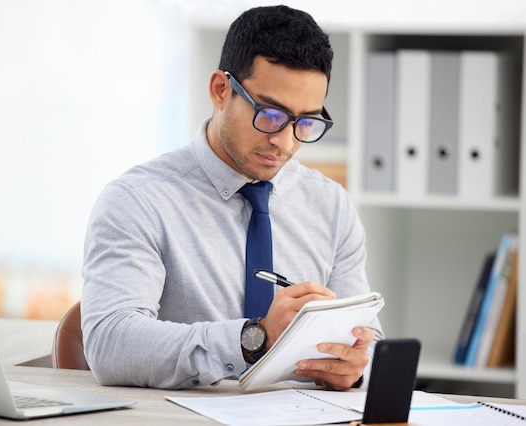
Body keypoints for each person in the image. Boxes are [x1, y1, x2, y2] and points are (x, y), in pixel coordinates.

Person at [81, 4, 384, 391]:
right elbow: (112, 344)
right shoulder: (138, 200)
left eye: (306, 122)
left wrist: (356, 367)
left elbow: (368, 338)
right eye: (270, 115)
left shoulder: (330, 205)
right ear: (221, 90)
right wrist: (252, 339)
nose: (285, 142)